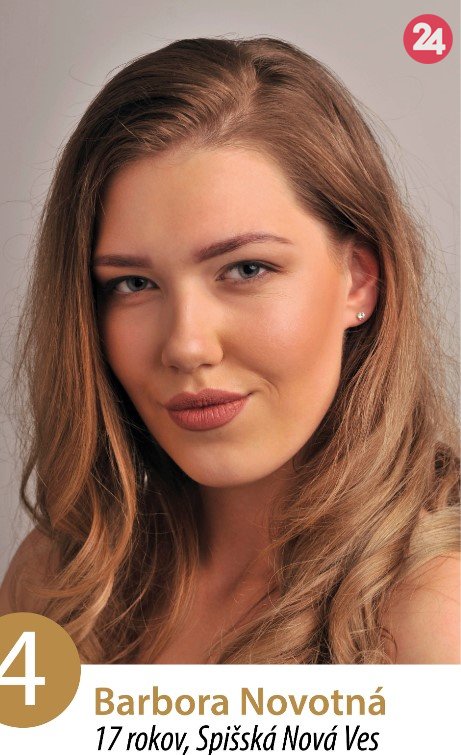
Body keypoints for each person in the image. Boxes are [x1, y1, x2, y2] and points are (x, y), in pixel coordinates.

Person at [0, 37, 459, 664]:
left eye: (246, 269)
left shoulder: (436, 612)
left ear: (358, 279)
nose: (186, 345)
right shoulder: (62, 579)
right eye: (133, 284)